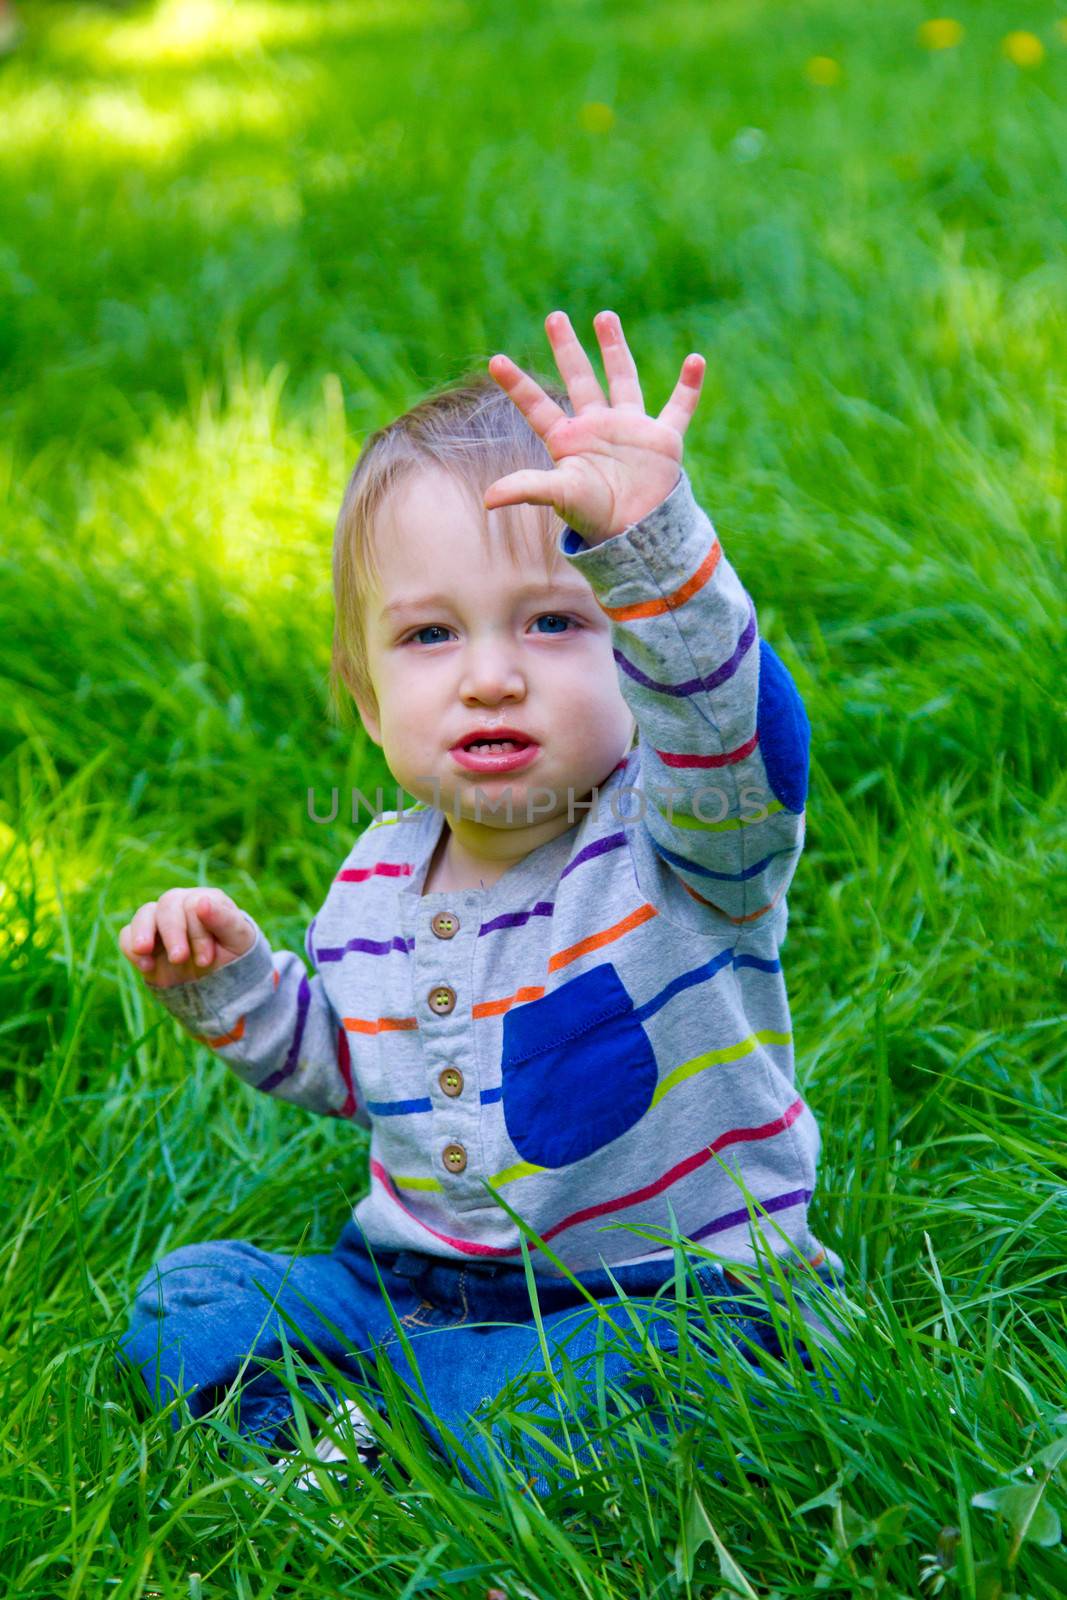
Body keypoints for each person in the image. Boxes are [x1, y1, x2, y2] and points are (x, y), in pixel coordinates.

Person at [117, 310, 848, 1500]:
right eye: (428, 634)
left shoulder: (679, 840)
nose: (491, 671)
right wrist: (238, 985)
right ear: (365, 697)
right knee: (187, 1299)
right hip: (407, 1289)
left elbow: (732, 731)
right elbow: (354, 1066)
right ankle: (357, 1443)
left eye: (555, 621)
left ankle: (446, 1447)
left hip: (654, 1295)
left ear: (630, 653)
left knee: (655, 1379)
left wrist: (650, 554)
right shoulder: (371, 879)